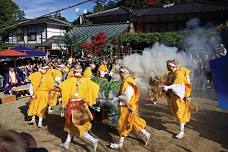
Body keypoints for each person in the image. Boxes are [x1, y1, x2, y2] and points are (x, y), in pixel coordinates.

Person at [59, 64, 100, 152]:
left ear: (73, 71)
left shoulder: (70, 80)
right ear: (81, 71)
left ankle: (93, 140)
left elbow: (61, 87)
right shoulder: (86, 81)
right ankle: (66, 143)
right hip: (82, 104)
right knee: (71, 125)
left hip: (73, 105)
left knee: (78, 126)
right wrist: (91, 98)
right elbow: (96, 87)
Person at [110, 66, 151, 150]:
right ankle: (147, 135)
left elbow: (127, 97)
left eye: (120, 72)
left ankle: (120, 144)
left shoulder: (128, 82)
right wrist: (117, 96)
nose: (119, 74)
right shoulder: (127, 80)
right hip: (130, 107)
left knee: (123, 124)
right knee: (133, 123)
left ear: (125, 72)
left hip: (128, 108)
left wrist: (117, 98)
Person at [162, 60, 191, 139]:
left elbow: (177, 84)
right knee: (176, 112)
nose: (167, 67)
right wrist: (164, 86)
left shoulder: (179, 73)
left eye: (168, 65)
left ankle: (182, 131)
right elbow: (168, 83)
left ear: (172, 66)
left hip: (178, 96)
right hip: (173, 96)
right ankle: (183, 123)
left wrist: (168, 87)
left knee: (180, 113)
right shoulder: (170, 74)